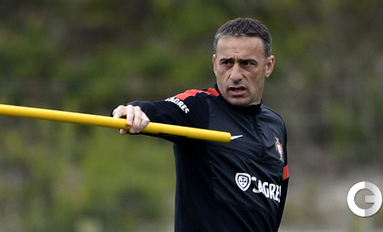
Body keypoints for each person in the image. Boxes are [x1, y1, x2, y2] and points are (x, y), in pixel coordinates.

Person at [112, 17, 288, 232]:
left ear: (268, 66)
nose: (235, 75)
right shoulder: (200, 108)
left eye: (247, 64)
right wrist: (133, 110)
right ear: (214, 64)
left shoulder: (276, 125)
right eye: (226, 63)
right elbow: (159, 110)